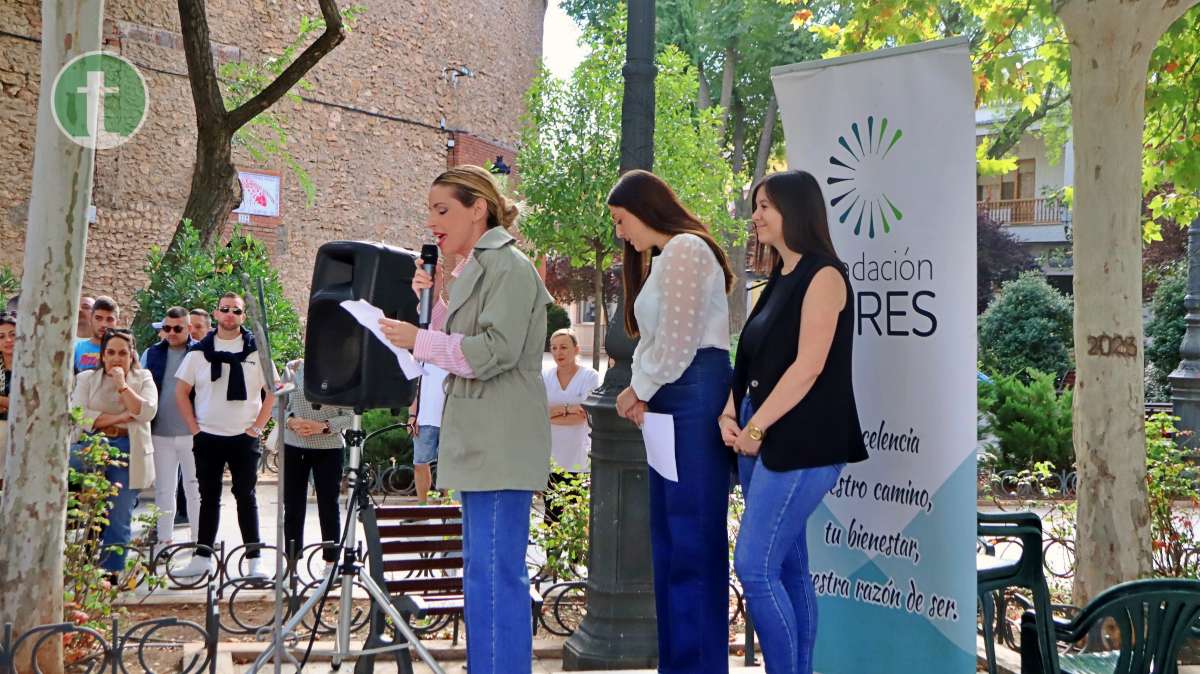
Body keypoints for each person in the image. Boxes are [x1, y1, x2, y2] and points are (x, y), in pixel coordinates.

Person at [378, 165, 552, 674]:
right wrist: (427, 309)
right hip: (480, 442)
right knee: (481, 575)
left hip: (500, 442)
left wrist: (419, 337)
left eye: (442, 209)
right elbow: (451, 350)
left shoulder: (510, 267)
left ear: (478, 208)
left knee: (495, 575)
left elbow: (490, 352)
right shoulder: (476, 269)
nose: (432, 222)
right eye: (429, 210)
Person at [720, 171, 869, 674]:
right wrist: (729, 411)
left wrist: (756, 428)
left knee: (754, 567)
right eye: (756, 205)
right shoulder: (781, 276)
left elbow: (808, 367)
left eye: (766, 206)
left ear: (797, 211)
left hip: (801, 443)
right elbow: (752, 357)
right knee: (788, 566)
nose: (756, 215)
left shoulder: (824, 275)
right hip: (758, 435)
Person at [608, 169, 735, 674]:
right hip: (675, 394)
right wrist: (642, 391)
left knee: (691, 540)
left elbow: (679, 342)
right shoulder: (669, 255)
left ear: (645, 208)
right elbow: (659, 343)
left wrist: (638, 389)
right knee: (672, 538)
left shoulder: (685, 249)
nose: (621, 232)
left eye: (621, 220)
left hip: (691, 392)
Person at [174, 292, 275, 578]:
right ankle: (203, 556)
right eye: (225, 309)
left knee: (247, 495)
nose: (230, 314)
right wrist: (195, 428)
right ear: (216, 314)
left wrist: (257, 427)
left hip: (244, 437)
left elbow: (272, 392)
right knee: (208, 496)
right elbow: (180, 392)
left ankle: (255, 559)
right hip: (207, 436)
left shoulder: (257, 351)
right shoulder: (198, 353)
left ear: (243, 317)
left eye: (237, 311)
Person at [69, 328, 158, 578]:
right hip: (91, 446)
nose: (116, 358)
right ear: (103, 355)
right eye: (111, 352)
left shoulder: (143, 378)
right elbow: (79, 414)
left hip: (127, 451)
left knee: (119, 513)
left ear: (132, 355)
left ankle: (111, 573)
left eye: (122, 353)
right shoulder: (87, 378)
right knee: (58, 470)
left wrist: (122, 386)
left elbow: (146, 411)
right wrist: (121, 416)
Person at [280, 359, 351, 566]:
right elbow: (277, 405)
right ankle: (291, 564)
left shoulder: (344, 371)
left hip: (329, 447)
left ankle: (331, 564)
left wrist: (323, 426)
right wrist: (291, 421)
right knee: (292, 506)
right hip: (294, 444)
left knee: (329, 506)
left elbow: (351, 416)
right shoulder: (291, 369)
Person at [141, 306, 201, 546]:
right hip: (160, 433)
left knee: (195, 490)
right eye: (167, 328)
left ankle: (200, 541)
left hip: (193, 432)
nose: (172, 333)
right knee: (164, 491)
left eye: (177, 328)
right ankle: (164, 541)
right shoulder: (151, 353)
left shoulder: (201, 353)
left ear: (188, 328)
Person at [542, 328, 600, 522]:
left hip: (579, 460)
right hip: (551, 462)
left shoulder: (589, 376)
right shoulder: (545, 377)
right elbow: (539, 415)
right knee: (551, 521)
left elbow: (584, 416)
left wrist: (556, 411)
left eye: (564, 347)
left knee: (577, 521)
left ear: (576, 350)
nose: (559, 352)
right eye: (554, 348)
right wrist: (570, 408)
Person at [409, 363, 448, 504]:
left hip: (450, 421)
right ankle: (423, 508)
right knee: (419, 464)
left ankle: (449, 507)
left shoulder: (453, 348)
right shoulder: (422, 354)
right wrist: (412, 416)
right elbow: (413, 388)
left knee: (449, 466)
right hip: (424, 420)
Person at [74, 296, 119, 373]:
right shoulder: (76, 349)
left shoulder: (123, 351)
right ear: (91, 319)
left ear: (117, 323)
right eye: (98, 318)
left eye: (109, 319)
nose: (103, 324)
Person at [0, 312, 14, 486]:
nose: (8, 340)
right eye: (2, 337)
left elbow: (20, 404)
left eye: (13, 334)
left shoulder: (30, 365)